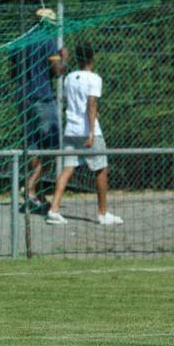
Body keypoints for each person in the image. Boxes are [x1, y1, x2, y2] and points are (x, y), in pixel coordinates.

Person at [45, 42, 124, 226]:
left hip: (71, 129)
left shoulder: (69, 78)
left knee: (68, 169)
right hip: (88, 131)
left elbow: (70, 101)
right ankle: (102, 214)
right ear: (92, 58)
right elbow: (91, 105)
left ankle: (54, 210)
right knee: (101, 169)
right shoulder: (95, 78)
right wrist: (91, 132)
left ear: (78, 59)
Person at [12, 8, 69, 213]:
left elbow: (13, 72)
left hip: (22, 98)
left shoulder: (20, 41)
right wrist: (64, 58)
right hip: (42, 98)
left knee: (33, 145)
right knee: (53, 147)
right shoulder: (48, 41)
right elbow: (56, 71)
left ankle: (34, 192)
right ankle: (30, 187)